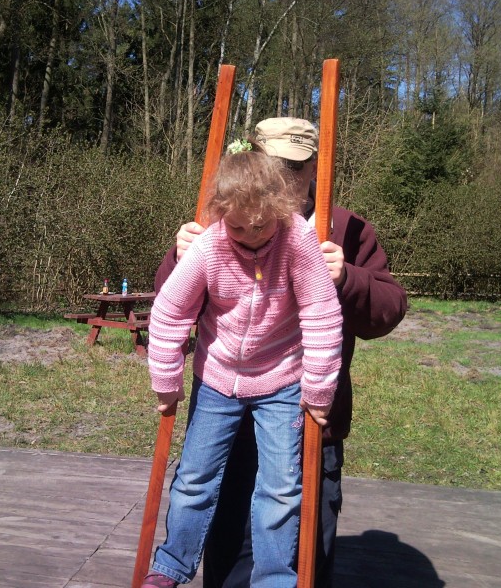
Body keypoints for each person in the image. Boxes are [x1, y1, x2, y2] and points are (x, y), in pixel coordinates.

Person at [154, 117, 408, 587]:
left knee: (304, 547)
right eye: (274, 164)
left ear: (315, 167)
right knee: (226, 553)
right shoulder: (222, 218)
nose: (284, 178)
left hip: (305, 417)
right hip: (226, 411)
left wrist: (347, 278)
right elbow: (173, 302)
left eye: (295, 166)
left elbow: (389, 310)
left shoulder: (345, 227)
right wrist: (178, 256)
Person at [141, 139, 344, 588]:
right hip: (218, 377)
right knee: (194, 478)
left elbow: (321, 314)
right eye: (237, 227)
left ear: (281, 208)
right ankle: (170, 565)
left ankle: (273, 578)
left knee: (281, 487)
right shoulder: (211, 245)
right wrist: (166, 382)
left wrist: (317, 390)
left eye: (260, 227)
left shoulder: (298, 240)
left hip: (282, 381)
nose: (250, 237)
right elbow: (171, 311)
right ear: (221, 214)